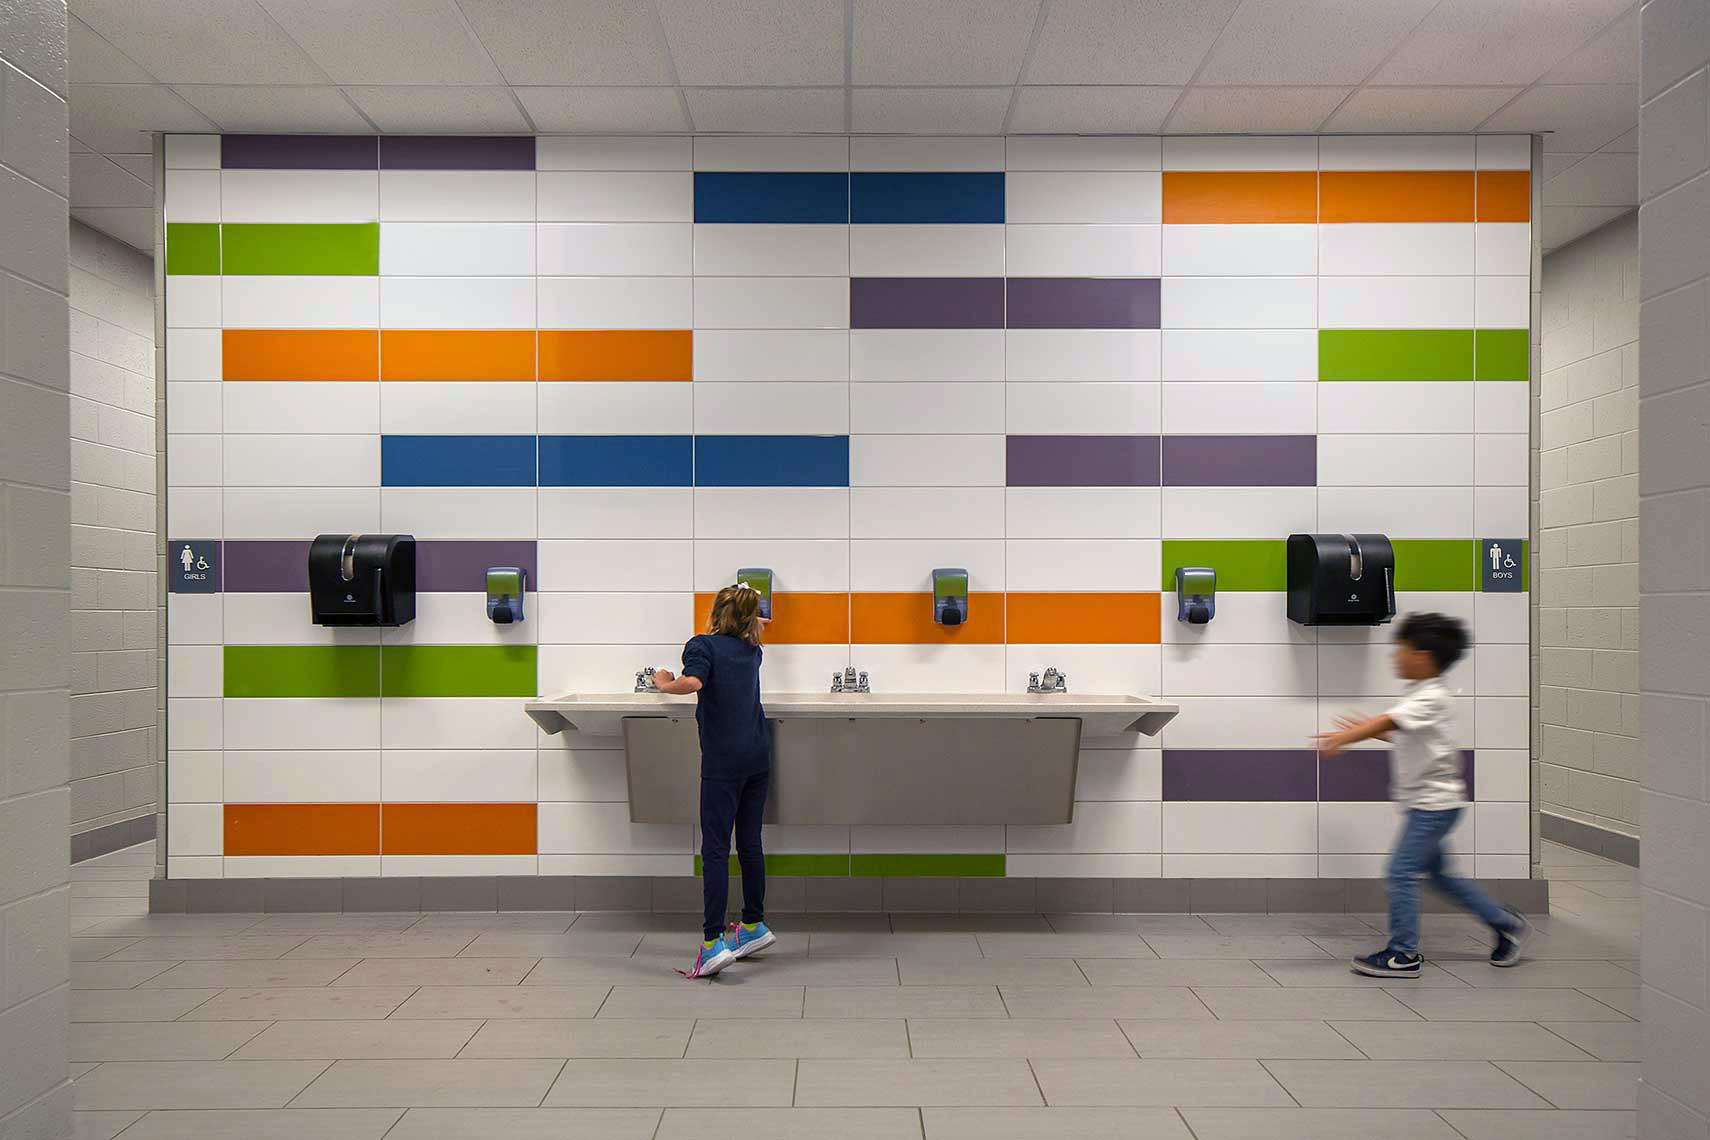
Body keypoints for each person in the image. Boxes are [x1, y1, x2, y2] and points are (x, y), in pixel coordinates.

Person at [1316, 612, 1533, 978]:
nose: (1394, 657)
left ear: (1422, 655)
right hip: (1430, 805)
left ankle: (1403, 954)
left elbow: (1391, 721)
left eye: (1400, 650)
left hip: (1433, 807)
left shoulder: (1431, 697)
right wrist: (1364, 733)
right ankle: (1505, 923)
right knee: (1440, 876)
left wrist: (1348, 737)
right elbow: (1403, 734)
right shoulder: (1419, 695)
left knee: (1399, 872)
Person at [651, 582, 776, 978]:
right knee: (750, 842)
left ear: (716, 613)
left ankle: (712, 943)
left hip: (723, 763)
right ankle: (753, 925)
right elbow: (756, 624)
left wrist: (664, 681)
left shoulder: (702, 646)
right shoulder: (751, 651)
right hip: (757, 757)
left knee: (717, 850)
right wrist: (751, 614)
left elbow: (693, 683)